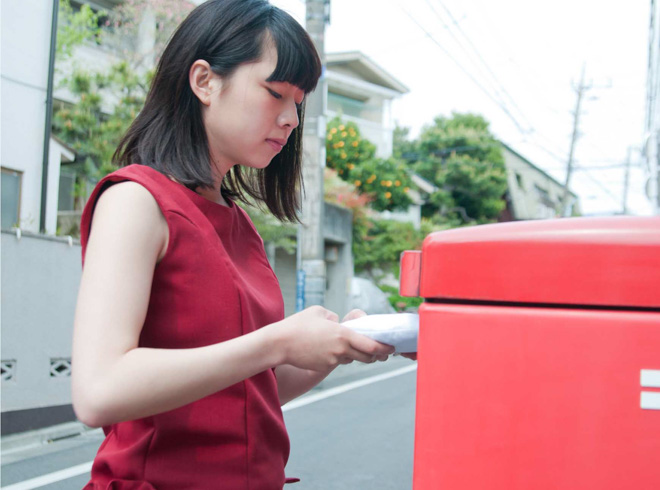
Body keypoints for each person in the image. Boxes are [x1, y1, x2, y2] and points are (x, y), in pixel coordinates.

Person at [71, 0, 398, 488]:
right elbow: (98, 391)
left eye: (299, 102)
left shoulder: (239, 223)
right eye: (275, 93)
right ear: (205, 81)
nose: (290, 117)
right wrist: (276, 341)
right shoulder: (135, 200)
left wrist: (338, 347)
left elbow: (251, 391)